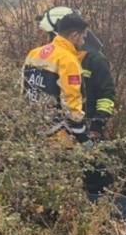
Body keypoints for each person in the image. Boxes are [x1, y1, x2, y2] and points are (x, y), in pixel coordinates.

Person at [38, 7, 117, 200]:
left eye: (51, 34)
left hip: (87, 127)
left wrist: (98, 124)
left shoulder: (95, 60)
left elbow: (107, 95)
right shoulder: (58, 56)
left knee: (96, 176)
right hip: (63, 130)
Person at [22, 12, 90, 140]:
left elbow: (24, 89)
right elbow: (71, 101)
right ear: (75, 35)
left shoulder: (33, 53)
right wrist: (81, 135)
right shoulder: (68, 60)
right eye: (83, 37)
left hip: (31, 129)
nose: (83, 42)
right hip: (57, 135)